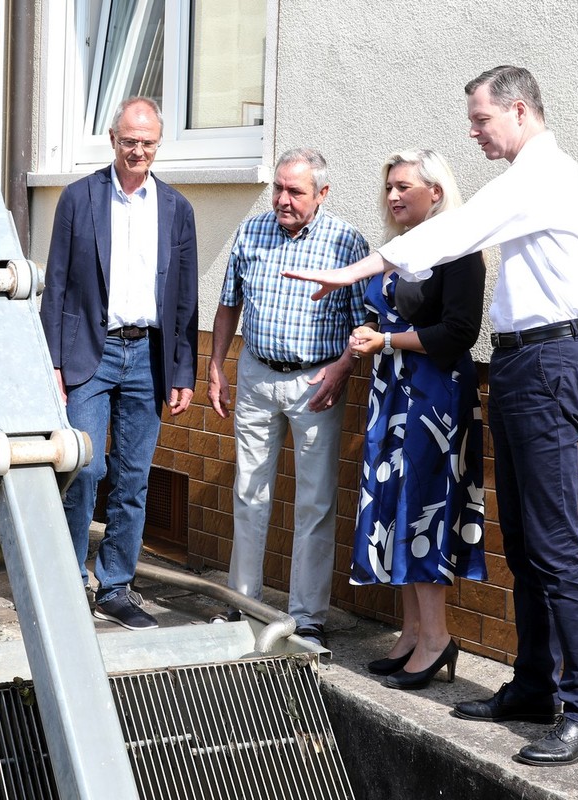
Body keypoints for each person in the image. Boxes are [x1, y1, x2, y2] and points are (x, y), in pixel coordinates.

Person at [285, 66, 578, 765]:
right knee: (524, 543)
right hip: (525, 363)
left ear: (519, 110)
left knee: (556, 546)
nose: (474, 130)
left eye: (482, 118)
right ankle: (532, 686)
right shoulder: (530, 177)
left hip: (550, 363)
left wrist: (352, 271)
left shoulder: (542, 177)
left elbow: (457, 231)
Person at [39, 97, 198, 631]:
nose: (138, 151)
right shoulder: (78, 198)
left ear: (158, 144)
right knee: (84, 468)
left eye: (147, 142)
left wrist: (182, 371)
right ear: (112, 139)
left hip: (148, 355)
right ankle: (66, 581)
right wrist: (52, 362)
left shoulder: (177, 209)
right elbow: (56, 284)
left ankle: (115, 587)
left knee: (133, 478)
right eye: (129, 140)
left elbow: (184, 300)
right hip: (91, 351)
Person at [207, 148, 368, 647]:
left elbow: (364, 322)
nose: (282, 199)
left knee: (314, 502)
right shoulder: (252, 232)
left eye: (295, 191)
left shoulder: (346, 242)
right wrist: (216, 367)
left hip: (316, 382)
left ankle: (307, 618)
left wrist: (342, 370)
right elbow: (227, 304)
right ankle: (242, 605)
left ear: (322, 193)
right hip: (255, 374)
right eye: (278, 188)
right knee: (249, 494)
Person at [347, 149, 487, 690]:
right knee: (395, 510)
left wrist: (385, 340)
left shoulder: (459, 251)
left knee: (424, 510)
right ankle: (410, 634)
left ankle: (436, 638)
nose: (392, 196)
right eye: (388, 187)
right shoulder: (398, 251)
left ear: (436, 191)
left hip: (435, 400)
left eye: (403, 186)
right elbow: (375, 311)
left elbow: (458, 332)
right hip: (392, 393)